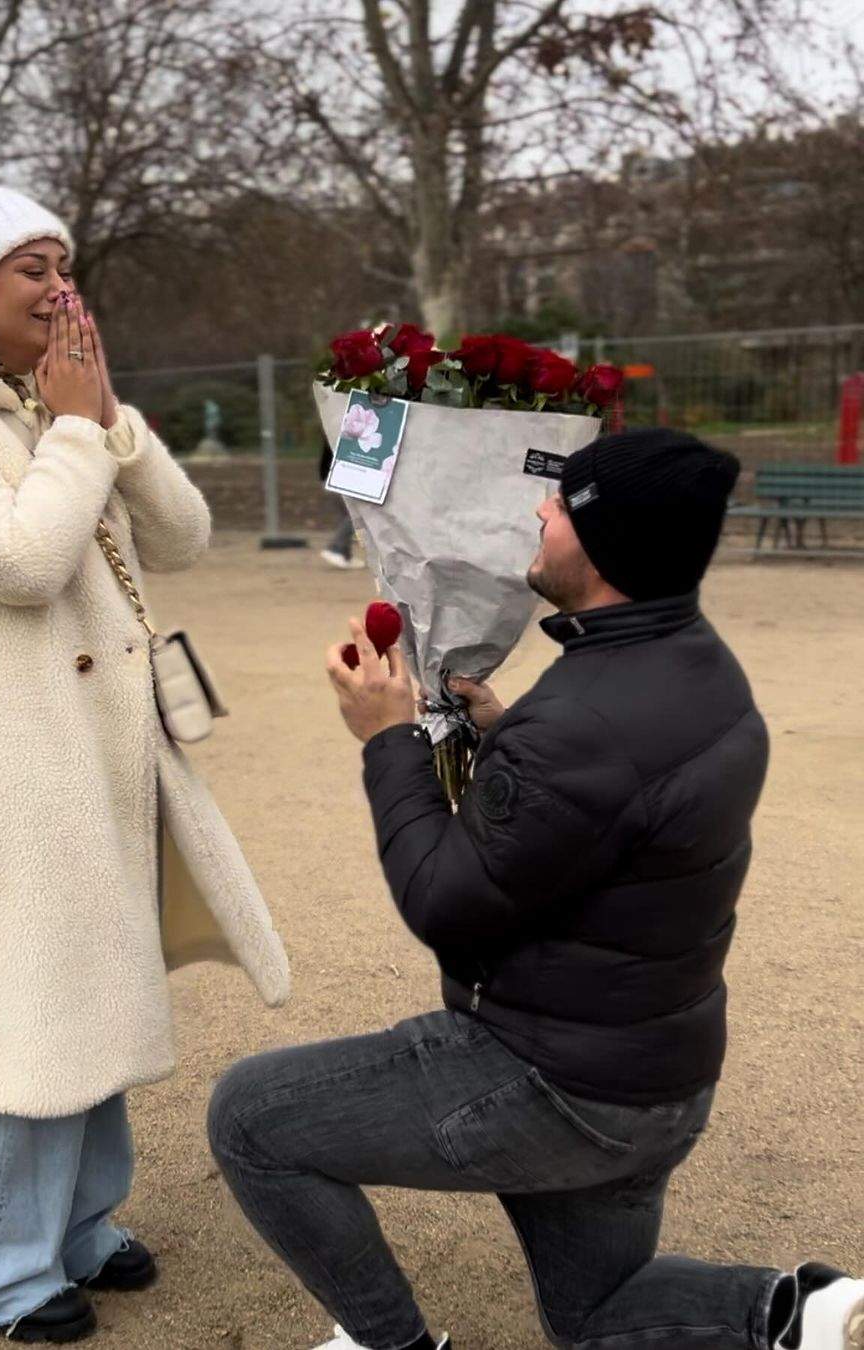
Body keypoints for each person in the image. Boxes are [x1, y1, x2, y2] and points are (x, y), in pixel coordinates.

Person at [208, 429, 863, 1350]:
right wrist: (509, 732)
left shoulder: (581, 722)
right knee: (592, 1314)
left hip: (555, 1085)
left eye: (561, 505)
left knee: (249, 1117)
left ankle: (390, 1345)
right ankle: (800, 1312)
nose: (540, 513)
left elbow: (442, 902)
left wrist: (387, 739)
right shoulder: (702, 668)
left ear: (604, 545)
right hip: (654, 1079)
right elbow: (615, 794)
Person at [0, 182, 289, 1342]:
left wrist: (107, 420)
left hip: (109, 754)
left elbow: (188, 538)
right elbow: (20, 562)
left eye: (64, 264)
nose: (60, 286)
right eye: (31, 270)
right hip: (11, 764)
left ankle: (83, 1227)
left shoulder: (66, 399)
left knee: (98, 990)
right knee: (27, 1011)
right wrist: (69, 431)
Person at [319, 433, 365, 569]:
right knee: (356, 514)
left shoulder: (335, 423)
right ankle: (336, 548)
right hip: (339, 475)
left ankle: (344, 554)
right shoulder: (347, 428)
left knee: (347, 515)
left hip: (329, 475)